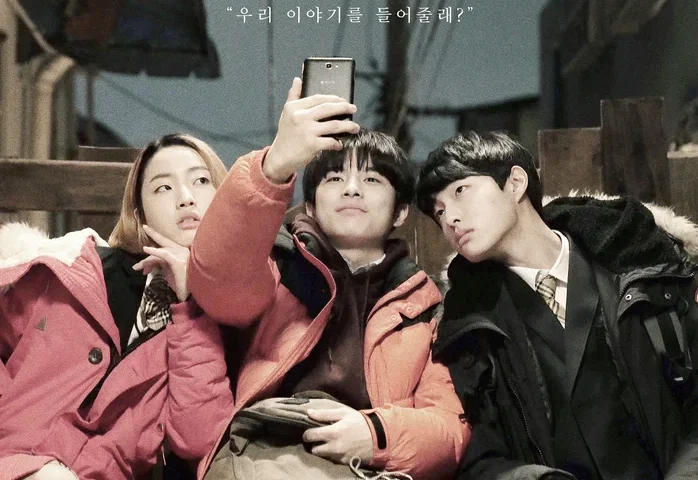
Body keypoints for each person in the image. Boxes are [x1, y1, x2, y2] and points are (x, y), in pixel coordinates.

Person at [187, 77, 469, 480]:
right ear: (312, 206)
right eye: (335, 179)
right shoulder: (276, 265)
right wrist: (275, 166)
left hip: (371, 465)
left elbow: (449, 428)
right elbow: (218, 283)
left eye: (372, 180)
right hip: (268, 451)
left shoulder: (428, 305)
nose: (351, 189)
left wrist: (375, 434)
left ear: (400, 212)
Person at [414, 130, 698, 480]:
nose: (450, 219)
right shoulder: (467, 328)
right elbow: (478, 457)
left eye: (461, 191)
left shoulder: (643, 266)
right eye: (439, 211)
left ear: (515, 183)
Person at [0, 133, 234, 479]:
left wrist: (189, 308)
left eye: (200, 181)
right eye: (164, 187)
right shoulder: (77, 269)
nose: (186, 198)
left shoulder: (228, 314)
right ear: (140, 214)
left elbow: (199, 440)